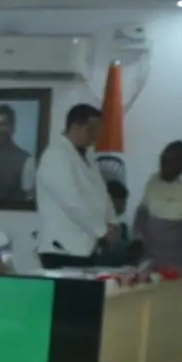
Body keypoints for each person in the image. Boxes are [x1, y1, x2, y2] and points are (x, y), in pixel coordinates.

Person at [36, 103, 114, 267]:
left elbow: (101, 192)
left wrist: (111, 221)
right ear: (75, 126)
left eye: (99, 130)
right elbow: (71, 201)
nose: (96, 136)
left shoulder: (88, 156)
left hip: (87, 247)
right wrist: (100, 230)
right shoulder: (56, 155)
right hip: (62, 249)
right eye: (91, 130)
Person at [133, 141, 182, 271]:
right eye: (162, 162)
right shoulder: (154, 181)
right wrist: (137, 239)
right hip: (150, 260)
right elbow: (142, 214)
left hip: (180, 264)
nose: (164, 167)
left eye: (170, 163)